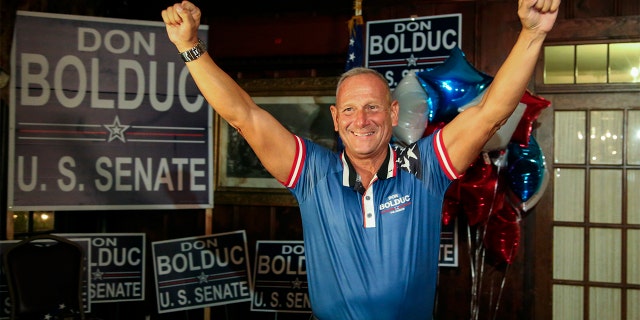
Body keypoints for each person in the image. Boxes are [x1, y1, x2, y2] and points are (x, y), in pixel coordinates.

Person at [161, 0, 559, 318]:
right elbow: (243, 115)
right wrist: (188, 46)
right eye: (349, 110)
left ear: (393, 114)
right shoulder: (314, 172)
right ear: (335, 119)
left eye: (373, 107)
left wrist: (532, 32)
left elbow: (490, 114)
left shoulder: (424, 167)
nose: (361, 120)